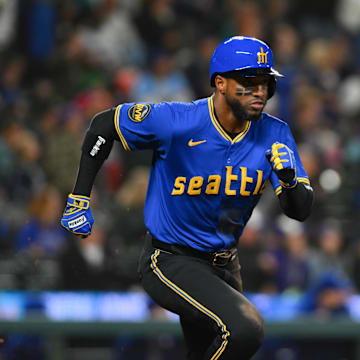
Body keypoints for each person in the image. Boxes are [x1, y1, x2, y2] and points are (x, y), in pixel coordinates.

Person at [61, 36, 313, 360]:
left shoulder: (276, 134)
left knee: (212, 350)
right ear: (220, 83)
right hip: (170, 259)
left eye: (265, 82)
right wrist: (79, 197)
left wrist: (290, 181)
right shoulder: (179, 121)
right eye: (249, 82)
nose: (260, 91)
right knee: (246, 330)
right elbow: (103, 125)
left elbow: (301, 210)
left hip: (225, 264)